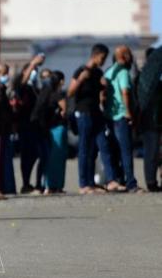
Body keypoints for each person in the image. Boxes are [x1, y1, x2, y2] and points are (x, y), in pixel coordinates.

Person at [68, 44, 124, 194]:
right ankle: (83, 184)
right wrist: (80, 80)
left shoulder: (98, 72)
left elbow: (101, 94)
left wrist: (104, 88)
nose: (104, 61)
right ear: (96, 55)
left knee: (103, 145)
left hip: (96, 113)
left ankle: (111, 181)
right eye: (103, 58)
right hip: (83, 113)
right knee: (85, 149)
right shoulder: (81, 71)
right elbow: (70, 92)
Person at [103, 46, 142, 193]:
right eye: (130, 54)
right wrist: (128, 112)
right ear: (124, 56)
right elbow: (125, 92)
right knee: (126, 151)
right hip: (121, 116)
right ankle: (131, 183)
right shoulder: (124, 72)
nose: (131, 57)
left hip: (110, 117)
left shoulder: (109, 72)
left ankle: (118, 180)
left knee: (115, 151)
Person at [10, 54, 46, 194]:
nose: (34, 73)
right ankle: (26, 184)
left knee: (37, 154)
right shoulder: (22, 87)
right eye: (32, 71)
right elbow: (21, 83)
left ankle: (36, 183)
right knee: (27, 155)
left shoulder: (34, 88)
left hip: (36, 125)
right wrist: (32, 63)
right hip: (25, 125)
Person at [32, 71, 67, 194]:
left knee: (45, 157)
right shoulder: (56, 95)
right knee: (53, 157)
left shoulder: (44, 93)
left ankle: (43, 185)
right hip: (53, 128)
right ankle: (50, 185)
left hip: (42, 128)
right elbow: (65, 110)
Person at [139, 47, 162, 191]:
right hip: (151, 120)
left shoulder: (147, 77)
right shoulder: (147, 80)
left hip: (151, 119)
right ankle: (151, 182)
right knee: (152, 151)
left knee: (152, 152)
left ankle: (152, 181)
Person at [0, 62, 16, 194]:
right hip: (1, 127)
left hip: (5, 127)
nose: (5, 76)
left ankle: (7, 186)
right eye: (2, 73)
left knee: (6, 158)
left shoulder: (5, 87)